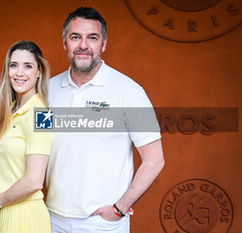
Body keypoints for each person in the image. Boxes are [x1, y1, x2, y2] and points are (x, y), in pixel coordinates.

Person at [45, 7, 165, 233]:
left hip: (102, 224)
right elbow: (31, 148)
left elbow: (155, 160)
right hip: (53, 219)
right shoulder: (47, 91)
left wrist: (120, 208)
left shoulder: (130, 92)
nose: (83, 45)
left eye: (92, 38)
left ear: (104, 44)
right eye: (75, 37)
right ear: (65, 43)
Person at [0, 40, 54, 233]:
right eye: (14, 65)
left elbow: (34, 181)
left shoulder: (42, 115)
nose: (19, 73)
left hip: (25, 217)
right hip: (1, 214)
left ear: (39, 72)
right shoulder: (8, 111)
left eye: (28, 66)